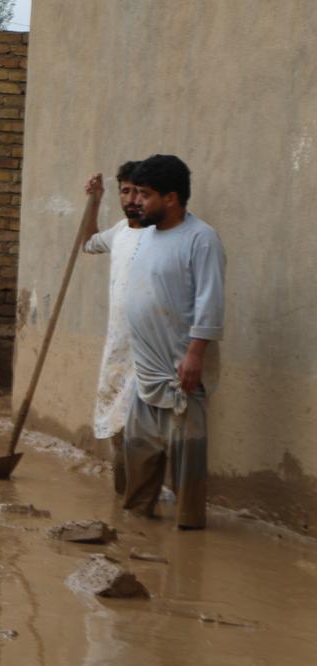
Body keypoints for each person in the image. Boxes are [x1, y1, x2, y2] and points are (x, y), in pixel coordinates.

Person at [123, 154, 226, 529]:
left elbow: (210, 301)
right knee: (138, 450)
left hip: (182, 370)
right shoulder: (147, 235)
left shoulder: (201, 239)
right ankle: (136, 525)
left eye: (145, 195)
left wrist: (194, 355)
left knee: (188, 459)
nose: (137, 202)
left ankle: (189, 537)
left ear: (171, 198)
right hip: (146, 369)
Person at [81, 161, 145, 495]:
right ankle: (125, 494)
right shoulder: (120, 231)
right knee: (117, 422)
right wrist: (95, 200)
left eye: (139, 191)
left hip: (150, 348)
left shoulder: (157, 235)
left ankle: (143, 493)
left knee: (143, 424)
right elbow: (88, 242)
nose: (132, 198)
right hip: (118, 345)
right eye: (125, 191)